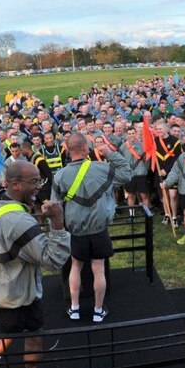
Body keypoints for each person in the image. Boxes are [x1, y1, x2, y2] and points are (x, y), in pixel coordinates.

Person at [0, 161, 70, 368]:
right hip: (20, 289)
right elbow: (54, 259)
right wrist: (58, 221)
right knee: (33, 334)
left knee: (9, 328)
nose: (39, 187)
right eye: (35, 182)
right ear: (15, 184)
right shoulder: (20, 222)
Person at [51, 133, 132, 323]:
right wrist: (110, 154)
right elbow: (127, 173)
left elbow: (55, 208)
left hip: (76, 232)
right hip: (99, 231)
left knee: (75, 267)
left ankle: (75, 308)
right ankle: (97, 310)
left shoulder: (60, 175)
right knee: (99, 269)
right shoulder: (102, 168)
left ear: (67, 150)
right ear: (86, 148)